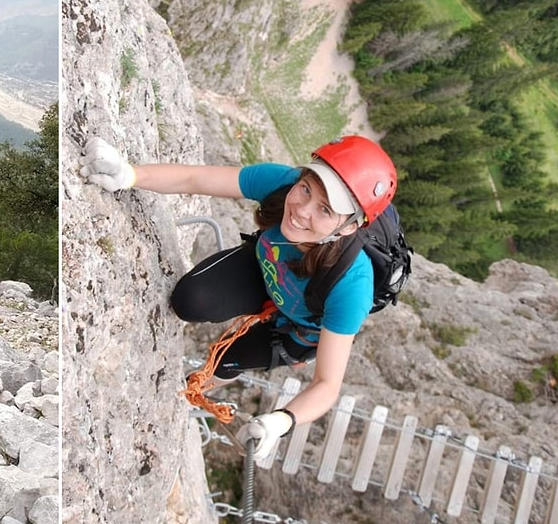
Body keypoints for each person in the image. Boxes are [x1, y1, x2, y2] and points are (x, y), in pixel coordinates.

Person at [79, 135, 397, 461]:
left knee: (229, 359)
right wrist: (130, 174)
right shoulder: (284, 184)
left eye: (325, 209)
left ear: (348, 228)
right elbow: (195, 179)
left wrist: (281, 421)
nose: (302, 210)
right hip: (266, 270)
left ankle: (187, 391)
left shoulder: (351, 285)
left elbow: (327, 384)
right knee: (189, 301)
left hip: (299, 329)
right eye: (306, 189)